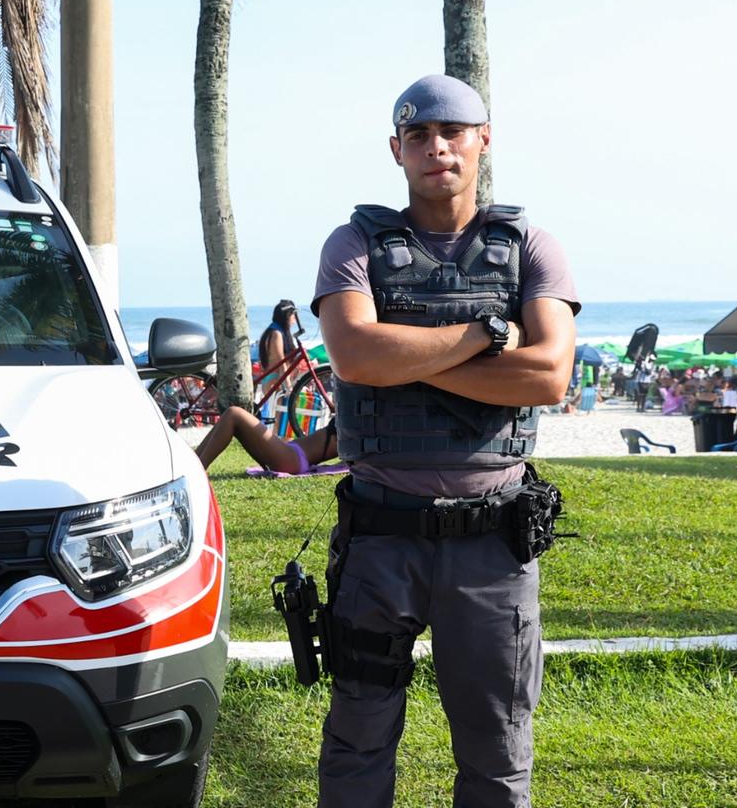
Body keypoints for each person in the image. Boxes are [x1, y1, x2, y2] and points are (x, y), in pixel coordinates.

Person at [309, 74, 578, 808]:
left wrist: (414, 365)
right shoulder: (354, 243)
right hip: (379, 542)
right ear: (397, 150)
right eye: (419, 136)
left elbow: (550, 373)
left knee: (496, 747)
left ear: (482, 140)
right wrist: (485, 337)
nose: (437, 148)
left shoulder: (529, 247)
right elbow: (357, 357)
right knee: (358, 739)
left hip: (491, 545)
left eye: (452, 132)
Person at [191, 405, 341, 478]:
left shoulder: (355, 434)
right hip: (290, 452)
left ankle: (196, 470)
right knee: (231, 416)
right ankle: (192, 463)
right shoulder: (353, 421)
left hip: (293, 459)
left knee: (234, 413)